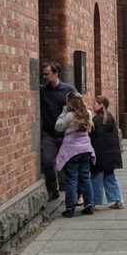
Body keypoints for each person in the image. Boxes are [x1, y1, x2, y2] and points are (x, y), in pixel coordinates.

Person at [55, 92, 95, 217]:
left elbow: (58, 127)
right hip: (85, 149)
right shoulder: (88, 113)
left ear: (69, 103)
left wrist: (63, 112)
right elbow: (89, 129)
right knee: (85, 177)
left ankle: (70, 208)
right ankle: (89, 205)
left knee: (72, 179)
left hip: (72, 151)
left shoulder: (69, 116)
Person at [40, 62, 75, 200]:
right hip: (49, 134)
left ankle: (74, 194)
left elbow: (79, 108)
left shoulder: (68, 90)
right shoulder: (43, 90)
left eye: (47, 74)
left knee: (69, 165)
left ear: (56, 73)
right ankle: (53, 190)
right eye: (43, 74)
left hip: (66, 134)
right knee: (48, 162)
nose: (44, 77)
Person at [90, 96, 124, 209]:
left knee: (96, 178)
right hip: (111, 155)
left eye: (95, 103)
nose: (93, 105)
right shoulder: (110, 117)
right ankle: (118, 200)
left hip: (101, 155)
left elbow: (93, 138)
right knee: (110, 177)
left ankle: (94, 202)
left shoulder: (96, 120)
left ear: (101, 105)